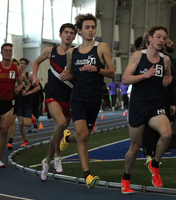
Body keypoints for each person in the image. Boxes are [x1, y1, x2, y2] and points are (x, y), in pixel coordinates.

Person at [59, 13, 115, 188]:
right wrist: (64, 76)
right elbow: (70, 72)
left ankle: (67, 138)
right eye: (87, 28)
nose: (91, 30)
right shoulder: (72, 52)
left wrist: (96, 68)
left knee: (84, 135)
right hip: (78, 98)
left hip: (94, 98)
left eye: (93, 27)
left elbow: (112, 72)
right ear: (80, 31)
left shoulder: (102, 47)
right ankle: (88, 176)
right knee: (83, 136)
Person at [120, 26, 172, 194]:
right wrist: (145, 75)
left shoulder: (166, 60)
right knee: (135, 147)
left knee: (166, 134)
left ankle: (154, 165)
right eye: (158, 37)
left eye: (164, 38)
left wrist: (167, 81)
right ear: (149, 38)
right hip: (138, 107)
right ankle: (126, 178)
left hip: (155, 105)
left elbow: (168, 75)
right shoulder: (138, 56)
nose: (161, 40)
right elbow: (125, 79)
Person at [32, 23, 77, 181]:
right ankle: (57, 157)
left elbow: (79, 75)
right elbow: (36, 62)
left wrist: (71, 75)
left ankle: (47, 161)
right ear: (60, 34)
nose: (69, 35)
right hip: (52, 94)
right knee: (61, 124)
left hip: (69, 96)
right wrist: (35, 76)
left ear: (74, 36)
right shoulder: (49, 51)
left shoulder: (76, 53)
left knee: (59, 131)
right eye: (66, 32)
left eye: (72, 33)